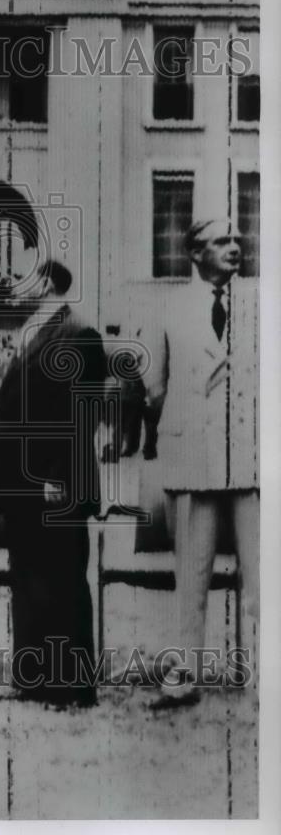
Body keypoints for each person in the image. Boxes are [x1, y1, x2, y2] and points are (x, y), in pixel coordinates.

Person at [0, 259, 107, 709]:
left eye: (21, 276)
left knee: (61, 579)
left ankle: (70, 687)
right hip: (21, 483)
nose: (10, 283)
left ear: (49, 282)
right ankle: (31, 680)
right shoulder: (32, 329)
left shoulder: (79, 333)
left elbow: (83, 413)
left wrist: (56, 474)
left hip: (55, 482)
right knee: (27, 578)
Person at [143, 220, 259, 710]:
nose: (234, 248)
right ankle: (182, 674)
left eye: (236, 240)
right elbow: (153, 386)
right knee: (191, 575)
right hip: (192, 457)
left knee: (262, 573)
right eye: (220, 241)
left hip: (249, 463)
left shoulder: (258, 305)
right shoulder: (166, 306)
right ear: (194, 253)